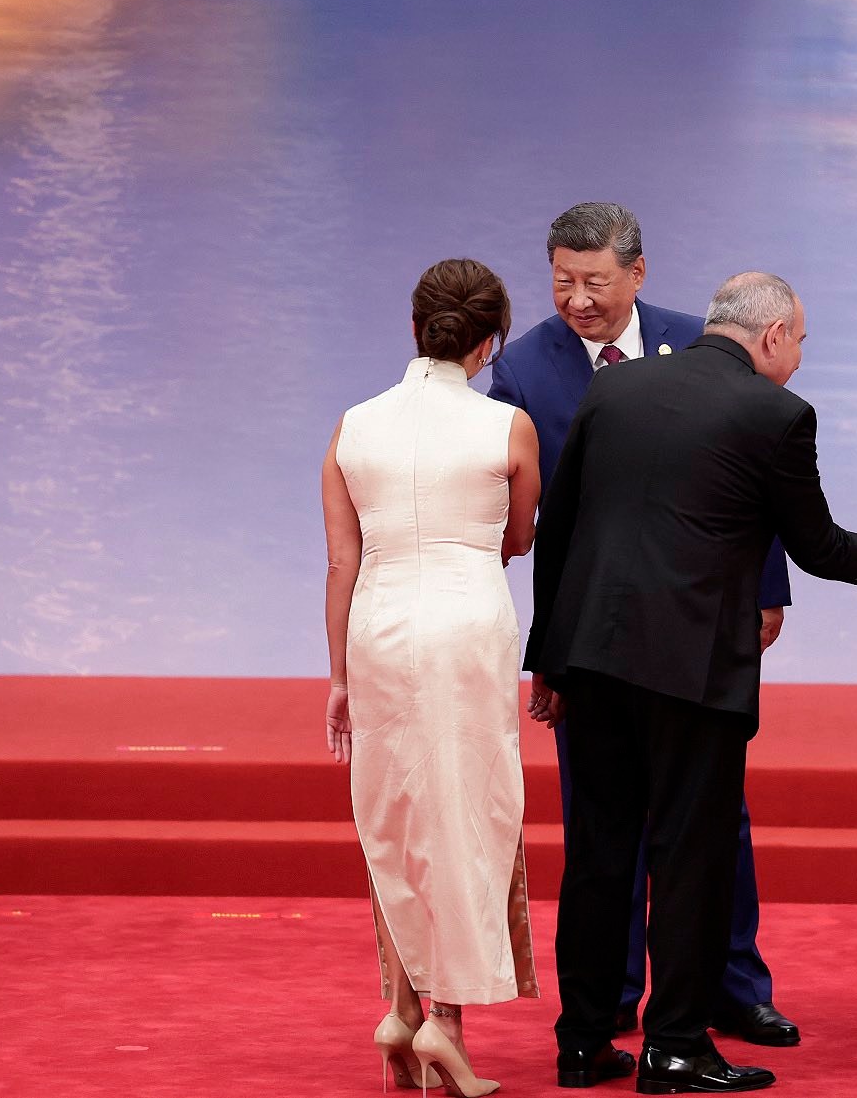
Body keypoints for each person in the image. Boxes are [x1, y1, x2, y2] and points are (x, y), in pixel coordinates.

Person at [527, 271, 857, 1093]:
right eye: (799, 341)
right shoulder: (776, 413)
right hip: (692, 672)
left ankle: (583, 1043)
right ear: (771, 335)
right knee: (690, 856)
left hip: (591, 655)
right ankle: (674, 1045)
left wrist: (548, 657)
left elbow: (558, 526)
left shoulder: (615, 387)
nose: (799, 358)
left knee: (597, 854)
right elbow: (816, 545)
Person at [488, 202, 800, 1049]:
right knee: (603, 828)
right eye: (562, 281)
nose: (577, 300)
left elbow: (757, 467)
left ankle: (732, 985)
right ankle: (612, 999)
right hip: (595, 635)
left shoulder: (701, 340)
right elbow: (537, 518)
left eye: (594, 281)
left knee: (714, 819)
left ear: (638, 272)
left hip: (701, 623)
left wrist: (767, 587)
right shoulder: (523, 370)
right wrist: (547, 652)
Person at [322, 259, 542, 1097]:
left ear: (416, 329)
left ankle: (400, 1010)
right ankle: (443, 1024)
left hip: (377, 629)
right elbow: (518, 538)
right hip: (467, 626)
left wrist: (338, 678)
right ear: (488, 343)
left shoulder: (353, 426)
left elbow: (341, 564)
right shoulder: (508, 427)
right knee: (465, 818)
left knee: (396, 817)